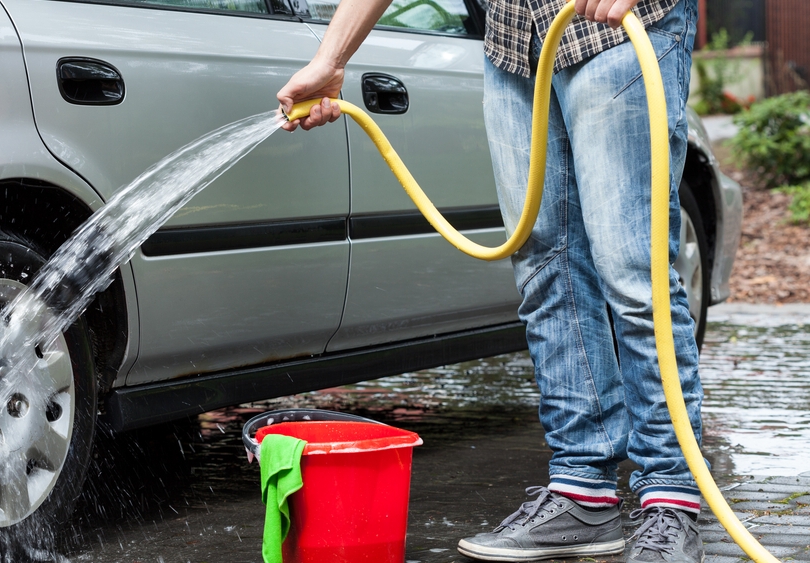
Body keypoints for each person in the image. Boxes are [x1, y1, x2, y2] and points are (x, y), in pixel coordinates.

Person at [277, 0, 706, 561]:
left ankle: (672, 499)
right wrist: (330, 58)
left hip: (618, 34)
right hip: (513, 48)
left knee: (633, 274)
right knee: (545, 271)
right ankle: (583, 494)